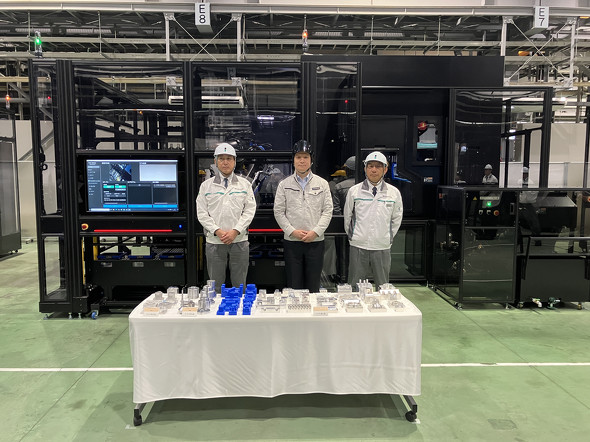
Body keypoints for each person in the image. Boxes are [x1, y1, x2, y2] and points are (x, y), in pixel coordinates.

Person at [273, 140, 333, 292]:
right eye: (298, 157)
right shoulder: (284, 184)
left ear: (311, 160)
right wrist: (292, 231)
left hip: (316, 241)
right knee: (294, 285)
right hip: (292, 242)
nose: (302, 160)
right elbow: (278, 211)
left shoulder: (322, 184)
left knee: (313, 286)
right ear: (293, 160)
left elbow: (327, 211)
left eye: (305, 157)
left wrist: (316, 232)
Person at [196, 143, 256, 291]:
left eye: (229, 158)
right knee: (215, 286)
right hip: (215, 241)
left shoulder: (245, 185)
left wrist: (236, 231)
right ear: (215, 161)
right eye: (221, 158)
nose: (225, 162)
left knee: (240, 285)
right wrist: (217, 231)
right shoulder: (206, 186)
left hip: (239, 240)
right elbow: (202, 213)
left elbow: (249, 210)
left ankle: (240, 306)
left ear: (235, 161)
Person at [344, 151, 403, 288]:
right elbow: (347, 217)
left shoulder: (393, 193)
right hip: (358, 245)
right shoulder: (354, 191)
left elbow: (396, 219)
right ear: (365, 168)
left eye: (378, 166)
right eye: (370, 166)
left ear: (385, 169)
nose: (374, 170)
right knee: (355, 285)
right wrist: (354, 236)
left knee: (383, 286)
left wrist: (387, 237)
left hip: (382, 246)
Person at [517, 166, 542, 246]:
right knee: (517, 222)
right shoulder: (519, 181)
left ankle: (537, 240)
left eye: (525, 173)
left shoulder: (531, 183)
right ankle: (518, 240)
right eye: (522, 173)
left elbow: (533, 193)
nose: (523, 175)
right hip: (521, 203)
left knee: (534, 222)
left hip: (529, 205)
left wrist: (526, 192)